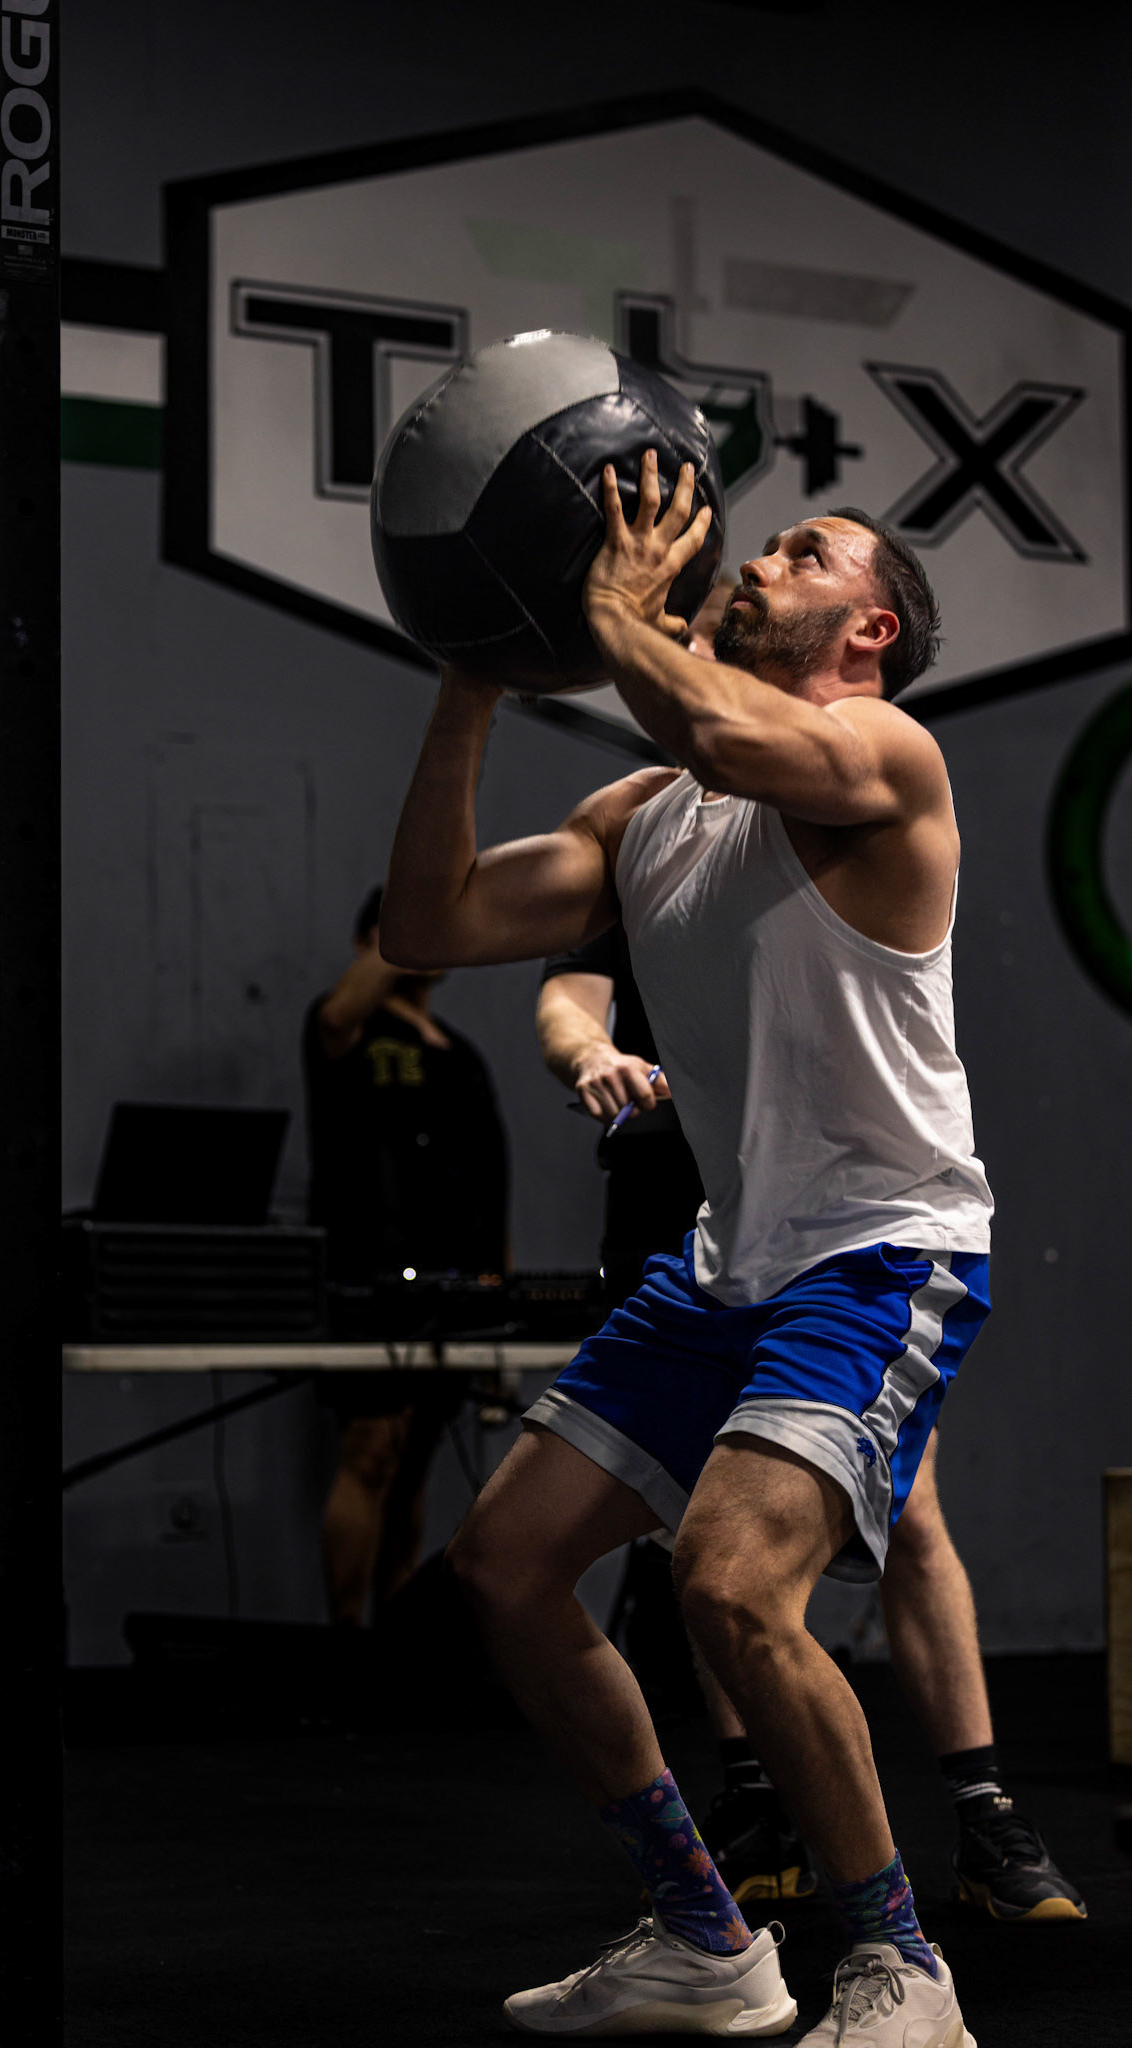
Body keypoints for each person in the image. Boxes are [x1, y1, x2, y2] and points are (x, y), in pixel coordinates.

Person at [381, 457, 1000, 2045]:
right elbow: (430, 924)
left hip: (880, 1248)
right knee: (505, 1566)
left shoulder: (884, 754)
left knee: (731, 1584)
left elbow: (730, 732)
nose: (757, 557)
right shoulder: (648, 813)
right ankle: (706, 1936)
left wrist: (606, 610)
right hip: (731, 1258)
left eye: (802, 552)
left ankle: (900, 1970)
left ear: (867, 630)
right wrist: (474, 678)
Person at [536, 744, 1084, 1933]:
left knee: (907, 1511)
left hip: (834, 1220)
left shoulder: (822, 797)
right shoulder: (646, 823)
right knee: (702, 1533)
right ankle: (755, 1805)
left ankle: (982, 1811)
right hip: (681, 1215)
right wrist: (592, 1053)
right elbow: (567, 986)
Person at [304, 885, 508, 1628]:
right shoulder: (348, 1028)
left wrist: (498, 1294)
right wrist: (408, 924)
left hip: (454, 1286)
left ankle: (392, 1641)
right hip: (370, 1278)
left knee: (415, 1462)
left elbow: (494, 1184)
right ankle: (346, 1638)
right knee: (371, 1451)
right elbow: (336, 1016)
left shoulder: (460, 1054)